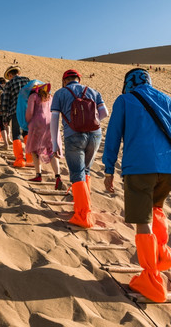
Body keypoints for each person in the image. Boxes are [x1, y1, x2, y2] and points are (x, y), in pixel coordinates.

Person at [102, 68, 171, 303]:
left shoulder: (125, 100)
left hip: (140, 167)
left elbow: (113, 136)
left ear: (128, 82)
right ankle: (161, 254)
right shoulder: (169, 100)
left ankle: (151, 280)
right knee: (156, 209)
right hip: (169, 168)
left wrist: (108, 168)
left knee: (143, 221)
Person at [50, 69, 109, 228]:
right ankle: (84, 206)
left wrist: (55, 144)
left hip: (73, 135)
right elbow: (104, 112)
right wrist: (91, 122)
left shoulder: (60, 93)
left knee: (77, 172)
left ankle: (83, 215)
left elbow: (54, 118)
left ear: (64, 81)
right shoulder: (92, 91)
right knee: (86, 170)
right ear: (78, 80)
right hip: (95, 135)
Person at [25, 83, 63, 189]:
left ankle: (38, 175)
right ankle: (58, 176)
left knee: (34, 149)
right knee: (51, 150)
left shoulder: (33, 96)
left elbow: (30, 111)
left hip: (37, 123)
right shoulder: (50, 97)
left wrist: (27, 122)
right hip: (50, 123)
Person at [1, 66, 30, 167]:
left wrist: (5, 118)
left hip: (15, 111)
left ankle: (20, 160)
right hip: (28, 111)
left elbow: (5, 102)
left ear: (10, 75)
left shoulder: (9, 84)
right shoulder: (27, 80)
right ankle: (30, 158)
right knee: (27, 133)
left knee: (16, 135)